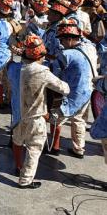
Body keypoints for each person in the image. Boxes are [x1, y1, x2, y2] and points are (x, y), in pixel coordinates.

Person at [12, 34, 70, 189]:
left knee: (17, 141)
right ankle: (25, 180)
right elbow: (64, 88)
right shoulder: (41, 71)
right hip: (36, 117)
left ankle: (18, 167)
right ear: (40, 55)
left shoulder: (22, 68)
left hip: (20, 115)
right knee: (34, 149)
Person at [48, 19, 95, 158]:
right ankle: (79, 148)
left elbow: (54, 75)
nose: (61, 44)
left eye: (62, 40)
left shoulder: (67, 54)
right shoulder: (89, 47)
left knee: (56, 118)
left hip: (73, 92)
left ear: (69, 39)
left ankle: (54, 146)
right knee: (79, 119)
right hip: (88, 89)